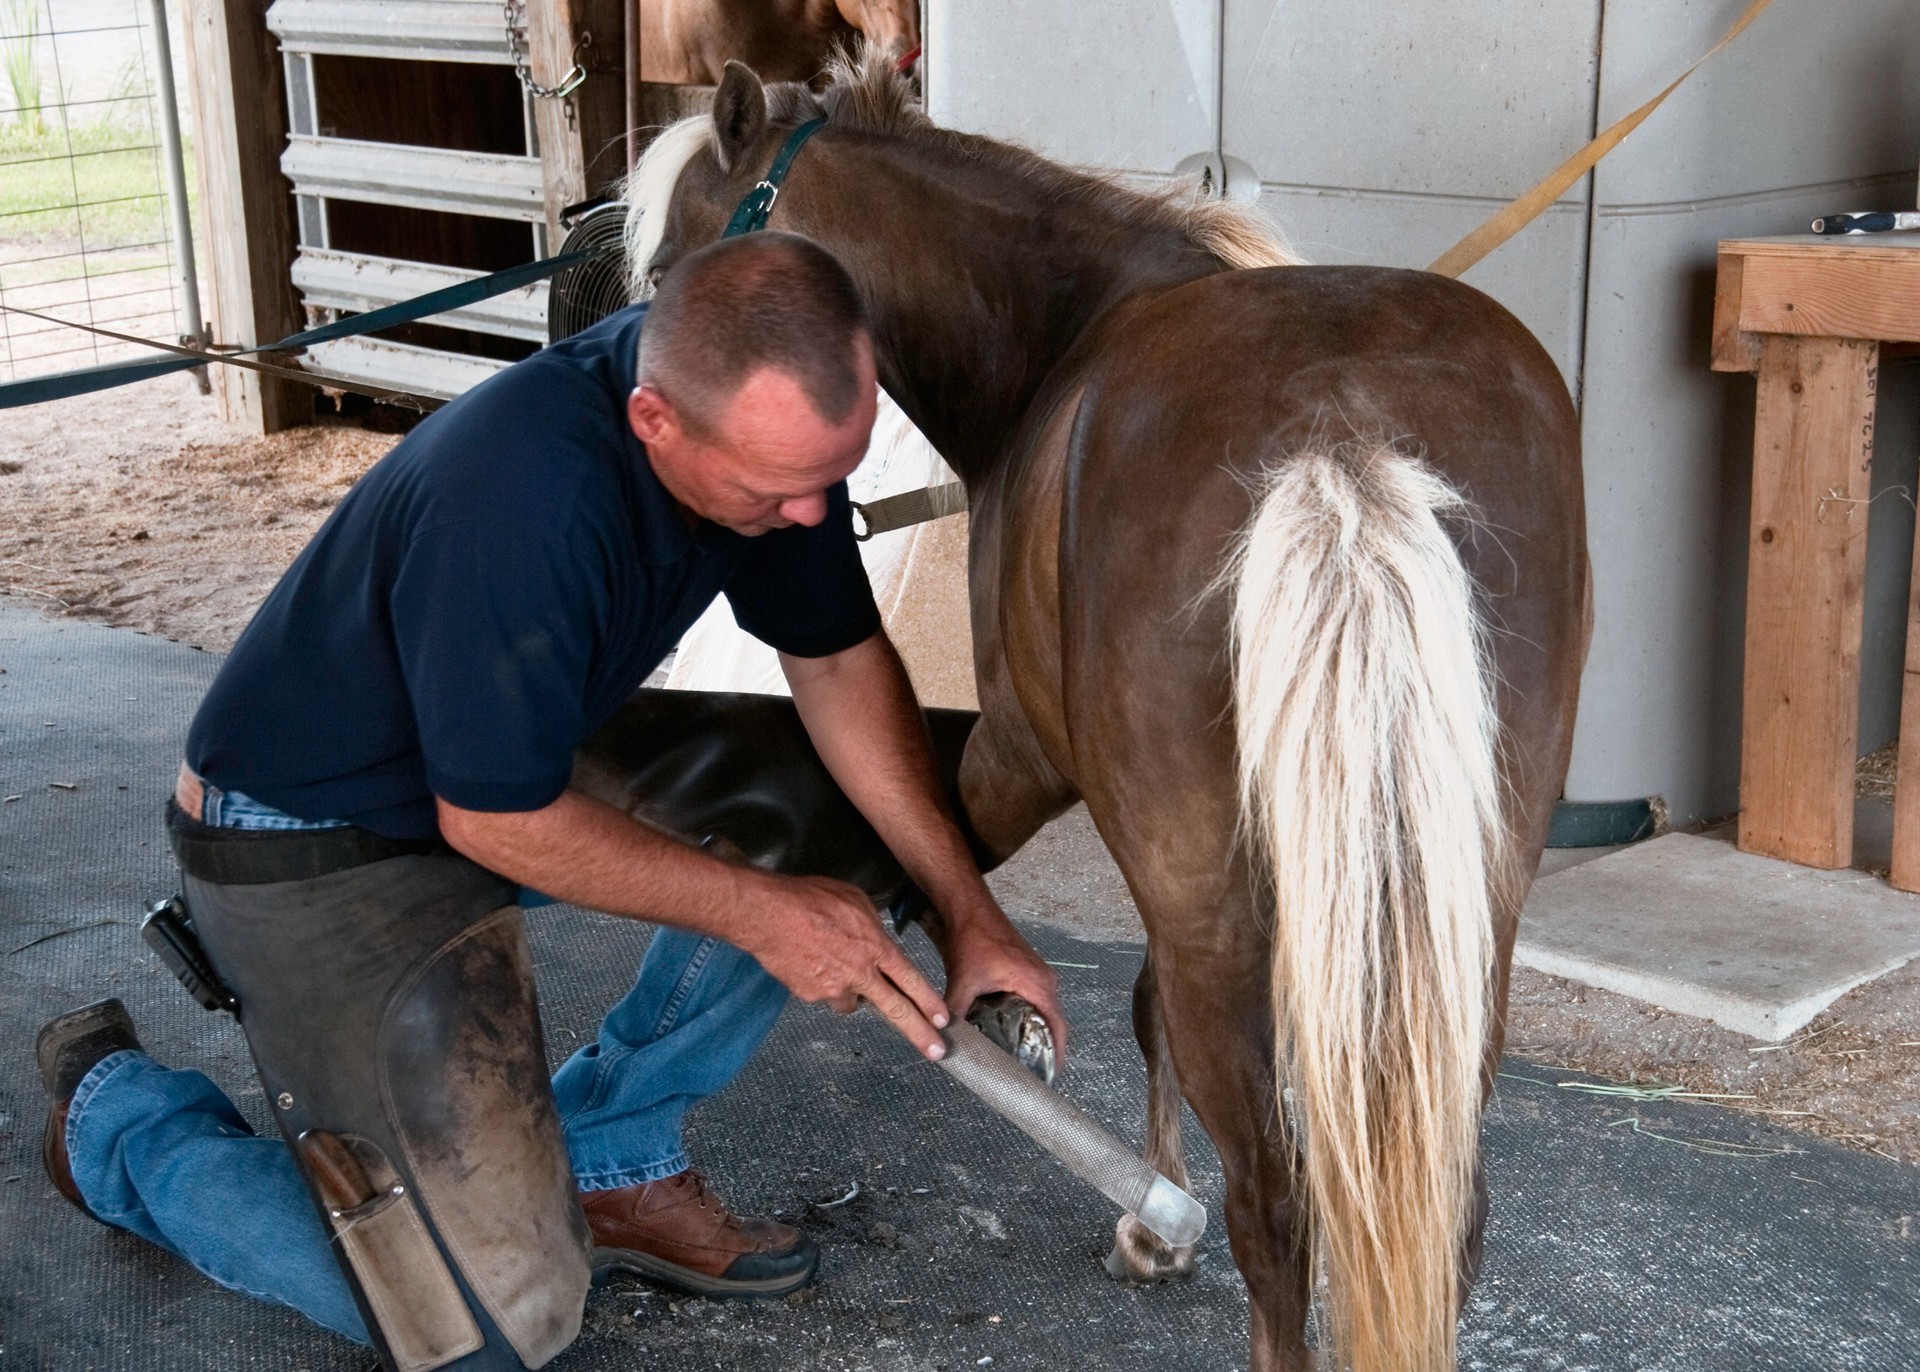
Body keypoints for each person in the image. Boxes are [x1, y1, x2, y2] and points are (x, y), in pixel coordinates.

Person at [34, 231, 1064, 1370]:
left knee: (875, 814)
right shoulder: (521, 503)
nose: (816, 517)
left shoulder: (757, 445)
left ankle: (612, 1152)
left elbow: (835, 660)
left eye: (837, 475)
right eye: (783, 490)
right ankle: (122, 1125)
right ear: (654, 422)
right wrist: (769, 914)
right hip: (316, 838)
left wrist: (970, 913)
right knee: (482, 1329)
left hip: (504, 766)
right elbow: (494, 820)